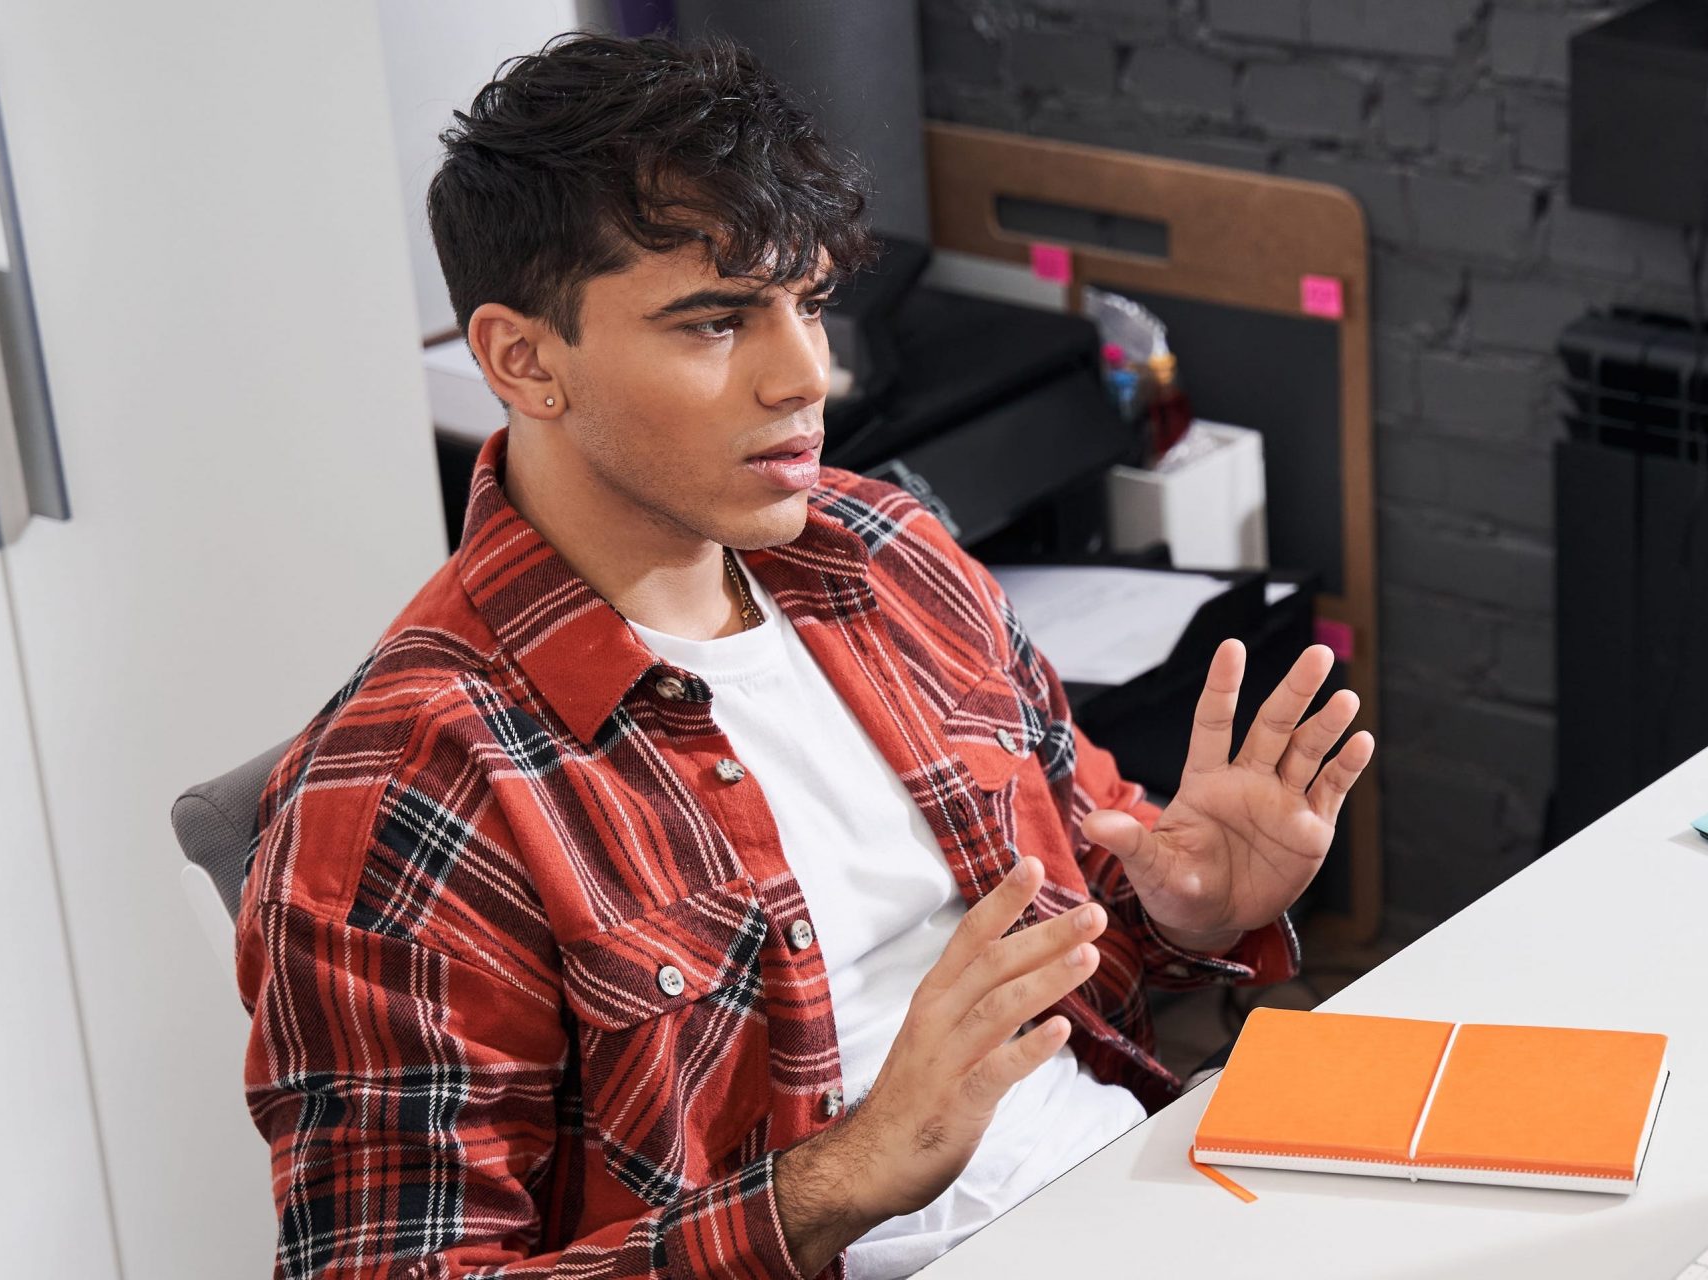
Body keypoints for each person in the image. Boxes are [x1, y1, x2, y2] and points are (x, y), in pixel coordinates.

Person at [235, 32, 1373, 1280]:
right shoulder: (410, 782)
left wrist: (1187, 905)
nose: (806, 376)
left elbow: (1078, 937)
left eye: (810, 302)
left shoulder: (888, 555)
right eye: (715, 321)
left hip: (1138, 1189)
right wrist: (849, 1171)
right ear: (523, 358)